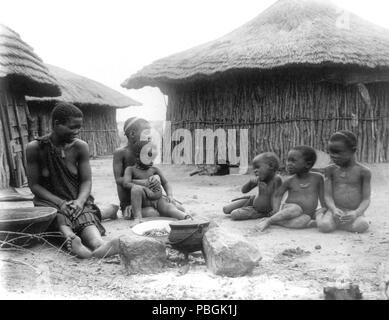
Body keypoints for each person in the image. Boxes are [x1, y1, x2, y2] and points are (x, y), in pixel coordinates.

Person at [26, 102, 119, 259]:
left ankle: (99, 246)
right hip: (49, 202)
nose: (77, 132)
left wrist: (80, 201)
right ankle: (74, 242)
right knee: (57, 217)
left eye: (79, 127)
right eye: (72, 127)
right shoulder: (35, 148)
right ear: (56, 124)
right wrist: (60, 203)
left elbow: (86, 181)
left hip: (76, 201)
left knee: (86, 218)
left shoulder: (80, 147)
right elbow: (34, 186)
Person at [257, 146, 326, 231]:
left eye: (293, 161)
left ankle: (278, 221)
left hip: (307, 213)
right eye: (288, 160)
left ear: (307, 164)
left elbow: (323, 196)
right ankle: (269, 221)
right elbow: (277, 195)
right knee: (296, 209)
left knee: (304, 220)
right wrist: (276, 209)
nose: (288, 164)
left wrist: (324, 208)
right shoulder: (289, 180)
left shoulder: (318, 178)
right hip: (289, 209)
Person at [123, 140, 190, 223]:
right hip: (144, 201)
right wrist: (144, 184)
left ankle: (186, 218)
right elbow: (126, 183)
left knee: (170, 208)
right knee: (136, 189)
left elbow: (165, 183)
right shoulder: (130, 170)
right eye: (148, 157)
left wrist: (170, 195)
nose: (152, 160)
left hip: (158, 200)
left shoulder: (154, 169)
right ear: (137, 157)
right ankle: (138, 217)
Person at [316, 131, 370, 233]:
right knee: (324, 226)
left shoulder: (364, 172)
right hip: (335, 211)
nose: (333, 156)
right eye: (330, 152)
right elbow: (328, 195)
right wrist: (333, 209)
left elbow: (366, 199)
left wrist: (356, 213)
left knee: (362, 225)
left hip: (353, 211)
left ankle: (338, 225)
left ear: (353, 150)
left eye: (338, 152)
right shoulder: (330, 170)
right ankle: (319, 214)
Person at [223, 152, 282, 221]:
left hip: (261, 209)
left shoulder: (276, 179)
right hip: (252, 200)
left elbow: (276, 197)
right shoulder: (259, 179)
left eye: (258, 167)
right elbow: (244, 191)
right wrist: (250, 183)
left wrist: (275, 211)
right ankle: (249, 206)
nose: (255, 171)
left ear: (271, 166)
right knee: (225, 209)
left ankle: (263, 214)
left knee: (234, 214)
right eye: (254, 168)